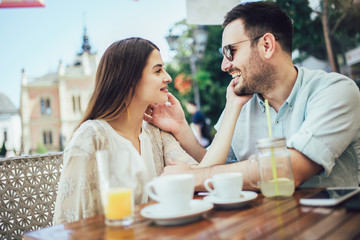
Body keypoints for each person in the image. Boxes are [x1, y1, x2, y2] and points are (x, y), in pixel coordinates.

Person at [144, 2, 360, 190]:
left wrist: (193, 178)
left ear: (266, 45)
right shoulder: (242, 105)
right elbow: (219, 168)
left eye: (230, 51)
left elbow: (291, 169)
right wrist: (182, 128)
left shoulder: (336, 91)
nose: (224, 65)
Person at [53, 38, 201, 224]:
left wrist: (183, 125)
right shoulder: (91, 137)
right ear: (130, 80)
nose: (168, 77)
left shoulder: (156, 133)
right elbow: (70, 226)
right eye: (158, 70)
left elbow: (202, 173)